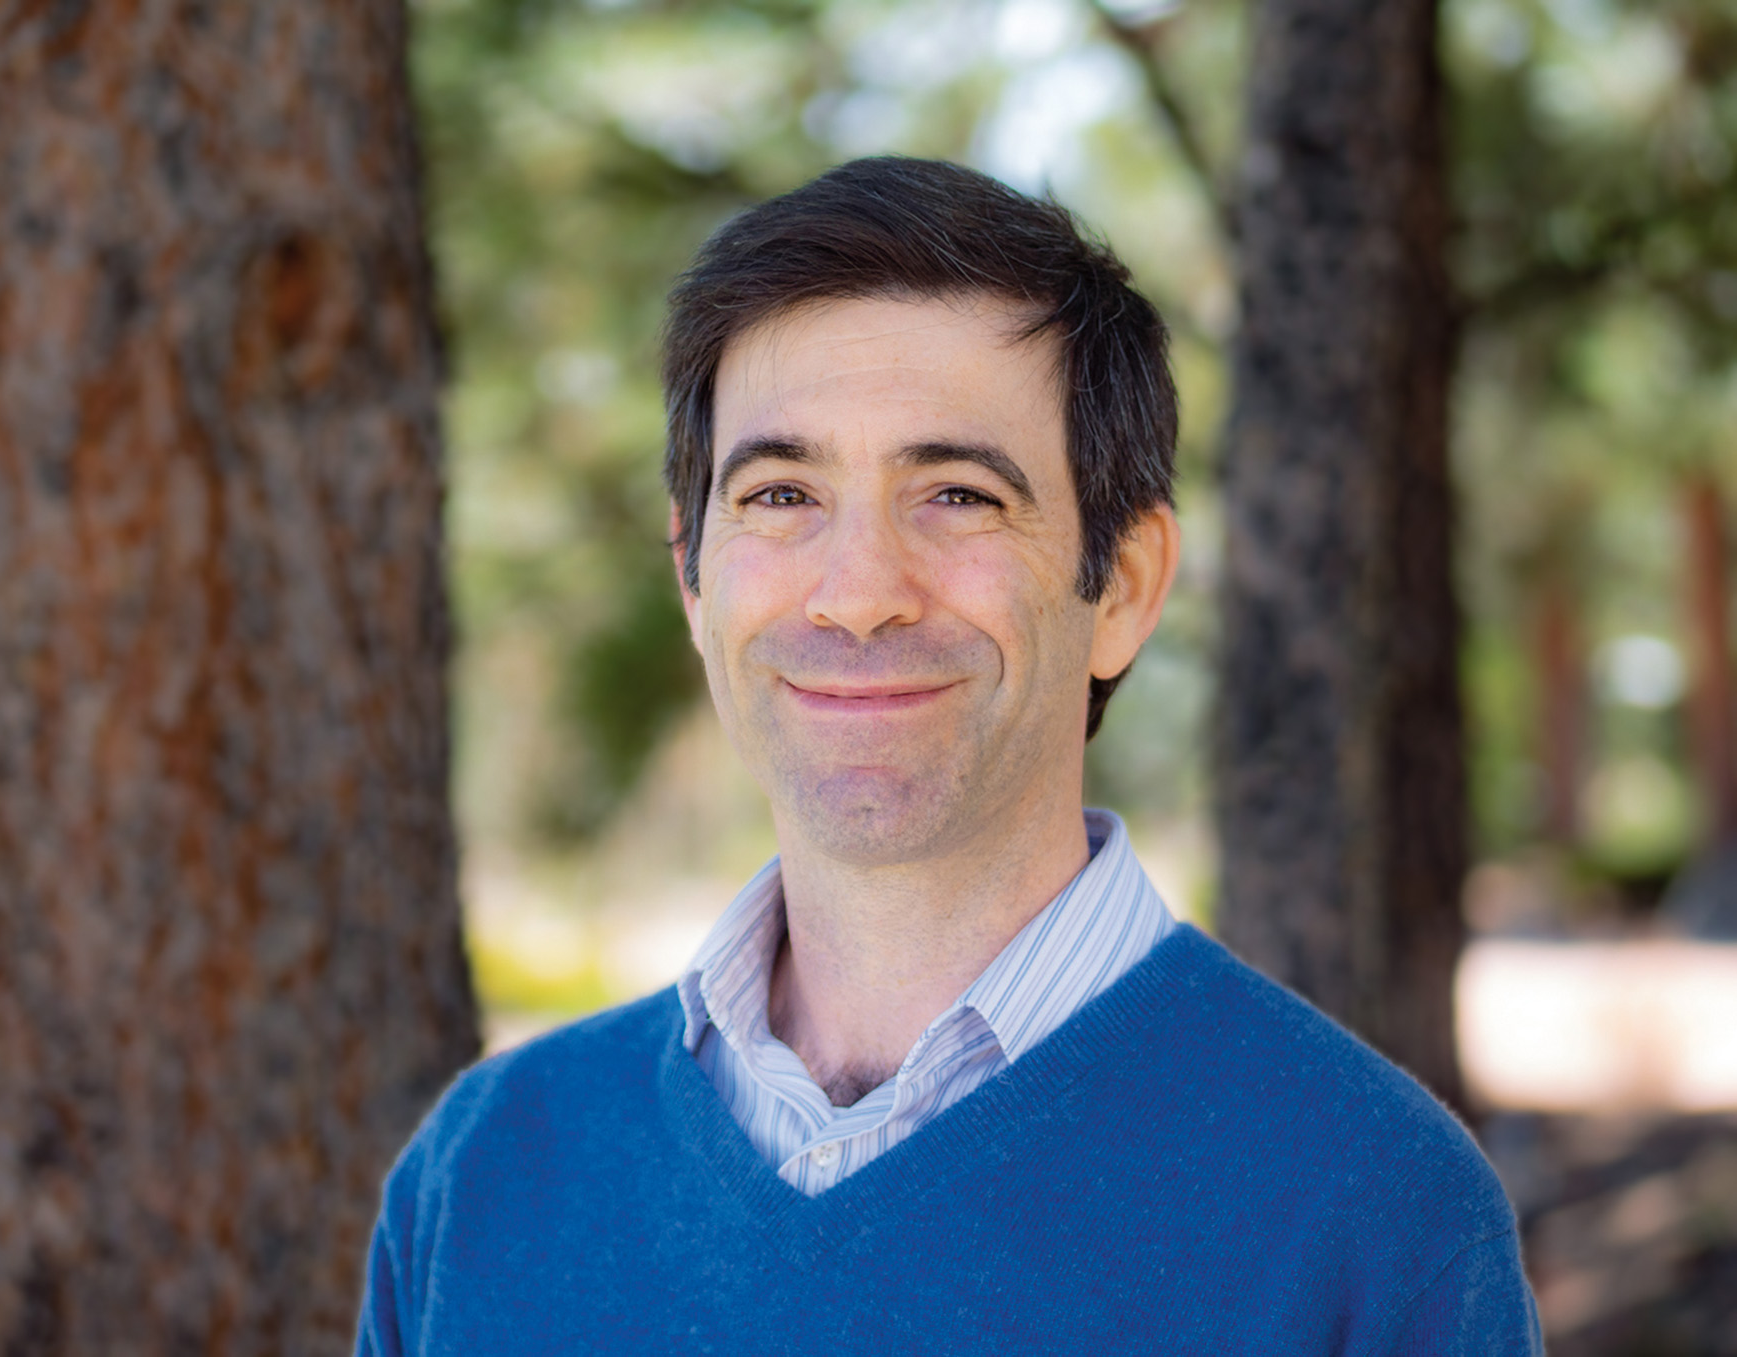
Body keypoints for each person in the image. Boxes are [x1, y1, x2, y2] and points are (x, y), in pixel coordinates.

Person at [355, 156, 1542, 1354]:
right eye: (778, 496)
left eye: (961, 495)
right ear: (692, 576)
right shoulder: (482, 1177)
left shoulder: (1375, 1212)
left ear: (1122, 588)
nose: (859, 593)